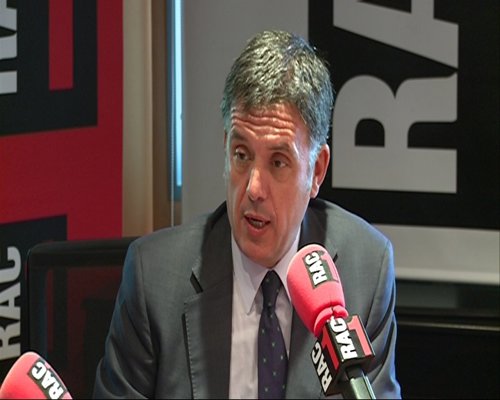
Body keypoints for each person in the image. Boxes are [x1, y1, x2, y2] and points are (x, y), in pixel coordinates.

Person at [93, 30, 401, 399]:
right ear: (226, 148)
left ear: (317, 171)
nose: (254, 188)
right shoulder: (154, 278)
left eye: (278, 162)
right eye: (241, 155)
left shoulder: (365, 271)